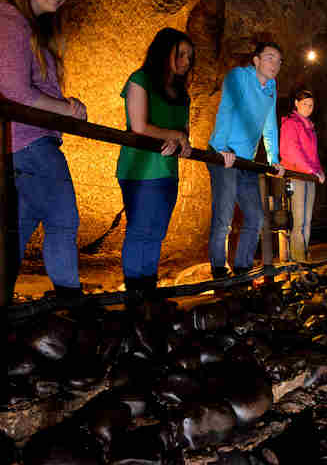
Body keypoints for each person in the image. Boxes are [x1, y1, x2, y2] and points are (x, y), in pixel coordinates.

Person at [0, 0, 87, 301]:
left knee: (17, 228)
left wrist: (63, 107)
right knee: (62, 218)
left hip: (17, 142)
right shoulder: (4, 18)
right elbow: (15, 90)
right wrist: (65, 110)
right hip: (26, 140)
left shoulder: (24, 26)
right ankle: (69, 302)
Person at [116, 28, 194, 303]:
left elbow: (183, 132)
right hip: (140, 168)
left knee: (157, 231)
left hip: (166, 171)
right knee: (140, 228)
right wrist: (173, 136)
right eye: (181, 54)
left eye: (189, 56)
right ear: (164, 52)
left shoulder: (182, 95)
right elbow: (139, 126)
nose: (186, 61)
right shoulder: (140, 80)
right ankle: (134, 293)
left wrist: (180, 142)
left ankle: (147, 289)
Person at [207, 42, 286, 279]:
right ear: (256, 60)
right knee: (224, 216)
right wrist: (221, 149)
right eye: (270, 57)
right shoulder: (238, 77)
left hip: (246, 161)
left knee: (256, 216)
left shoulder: (271, 87)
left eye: (279, 61)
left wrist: (274, 158)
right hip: (225, 153)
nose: (275, 64)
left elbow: (269, 126)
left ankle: (242, 268)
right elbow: (226, 109)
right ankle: (219, 270)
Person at [280, 90, 324, 261]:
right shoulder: (291, 124)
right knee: (299, 219)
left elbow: (313, 155)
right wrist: (311, 171)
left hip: (309, 176)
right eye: (305, 104)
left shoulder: (310, 128)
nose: (308, 107)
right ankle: (298, 258)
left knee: (307, 218)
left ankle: (303, 254)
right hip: (297, 175)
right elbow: (292, 150)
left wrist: (319, 170)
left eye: (311, 105)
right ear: (296, 104)